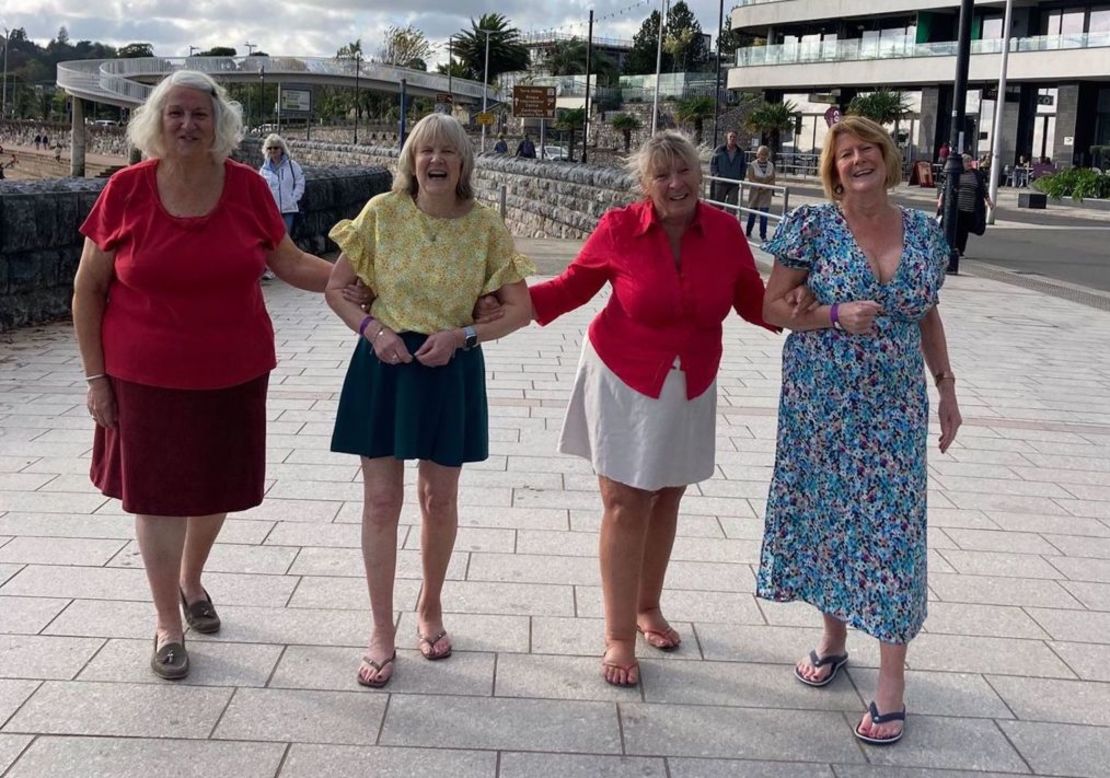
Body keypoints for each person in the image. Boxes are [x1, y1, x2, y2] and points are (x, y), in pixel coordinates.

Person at [72, 70, 359, 681]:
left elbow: (288, 263)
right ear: (156, 121)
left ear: (218, 123)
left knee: (213, 486)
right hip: (141, 375)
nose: (186, 124)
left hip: (233, 371)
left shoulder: (250, 188)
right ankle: (166, 624)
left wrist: (366, 281)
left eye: (198, 114)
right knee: (153, 496)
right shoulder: (125, 190)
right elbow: (87, 290)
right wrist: (96, 380)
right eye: (175, 113)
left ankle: (191, 579)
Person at [528, 131, 789, 688]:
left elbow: (751, 299)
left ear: (701, 173)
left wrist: (809, 311)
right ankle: (619, 634)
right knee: (626, 502)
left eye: (685, 171)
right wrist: (509, 303)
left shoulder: (723, 231)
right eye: (662, 175)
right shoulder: (620, 228)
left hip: (690, 378)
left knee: (667, 493)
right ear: (644, 184)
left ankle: (648, 606)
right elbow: (573, 286)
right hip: (622, 374)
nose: (676, 183)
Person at [757, 115, 962, 746]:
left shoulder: (925, 233)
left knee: (893, 528)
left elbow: (926, 311)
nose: (857, 159)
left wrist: (946, 385)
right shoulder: (811, 226)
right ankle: (832, 637)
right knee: (828, 516)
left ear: (886, 156)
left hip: (894, 407)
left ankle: (892, 683)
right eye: (845, 153)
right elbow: (772, 308)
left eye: (867, 148)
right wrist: (834, 313)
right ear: (833, 168)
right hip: (820, 400)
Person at [325, 113, 535, 689]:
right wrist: (372, 331)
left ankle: (430, 607)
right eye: (424, 151)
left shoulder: (487, 226)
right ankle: (378, 630)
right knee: (380, 501)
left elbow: (521, 309)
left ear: (464, 163)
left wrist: (465, 336)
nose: (435, 160)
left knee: (438, 500)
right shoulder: (381, 214)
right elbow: (336, 288)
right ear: (410, 161)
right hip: (385, 365)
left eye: (447, 151)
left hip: (451, 367)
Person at [938, 153, 993, 257]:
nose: (969, 163)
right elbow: (945, 187)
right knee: (955, 228)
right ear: (961, 163)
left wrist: (989, 201)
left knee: (964, 231)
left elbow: (982, 188)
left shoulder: (976, 174)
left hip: (969, 207)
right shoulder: (956, 173)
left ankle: (960, 249)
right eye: (966, 161)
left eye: (970, 161)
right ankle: (951, 247)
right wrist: (940, 200)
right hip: (956, 206)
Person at [258, 133, 305, 235]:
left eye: (276, 147)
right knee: (273, 238)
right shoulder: (264, 170)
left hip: (288, 209)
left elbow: (300, 182)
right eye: (269, 148)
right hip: (271, 210)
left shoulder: (293, 166)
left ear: (281, 149)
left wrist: (293, 198)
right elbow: (260, 189)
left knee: (286, 237)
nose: (273, 150)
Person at [745, 145, 776, 241]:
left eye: (765, 154)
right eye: (761, 154)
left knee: (764, 215)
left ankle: (763, 235)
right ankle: (748, 232)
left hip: (766, 193)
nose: (763, 156)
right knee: (752, 214)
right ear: (757, 154)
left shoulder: (771, 165)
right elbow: (751, 178)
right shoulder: (753, 165)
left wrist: (766, 187)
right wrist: (759, 186)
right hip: (755, 192)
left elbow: (773, 178)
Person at [709, 130, 746, 208]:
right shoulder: (719, 150)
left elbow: (743, 166)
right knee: (717, 206)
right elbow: (713, 164)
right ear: (727, 138)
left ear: (737, 139)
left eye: (734, 137)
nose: (732, 139)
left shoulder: (740, 152)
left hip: (734, 183)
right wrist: (717, 175)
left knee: (732, 207)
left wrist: (741, 178)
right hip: (721, 183)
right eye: (730, 137)